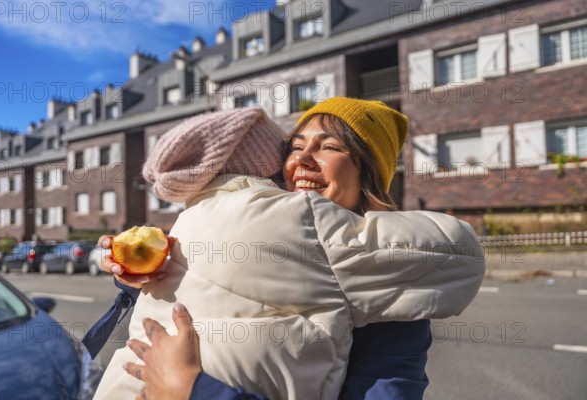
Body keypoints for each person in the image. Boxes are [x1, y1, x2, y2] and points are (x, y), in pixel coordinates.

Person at [93, 99, 484, 399]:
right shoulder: (257, 227)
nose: (302, 160)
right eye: (295, 146)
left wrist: (193, 390)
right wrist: (138, 267)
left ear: (368, 173)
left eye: (329, 147)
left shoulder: (395, 299)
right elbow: (219, 292)